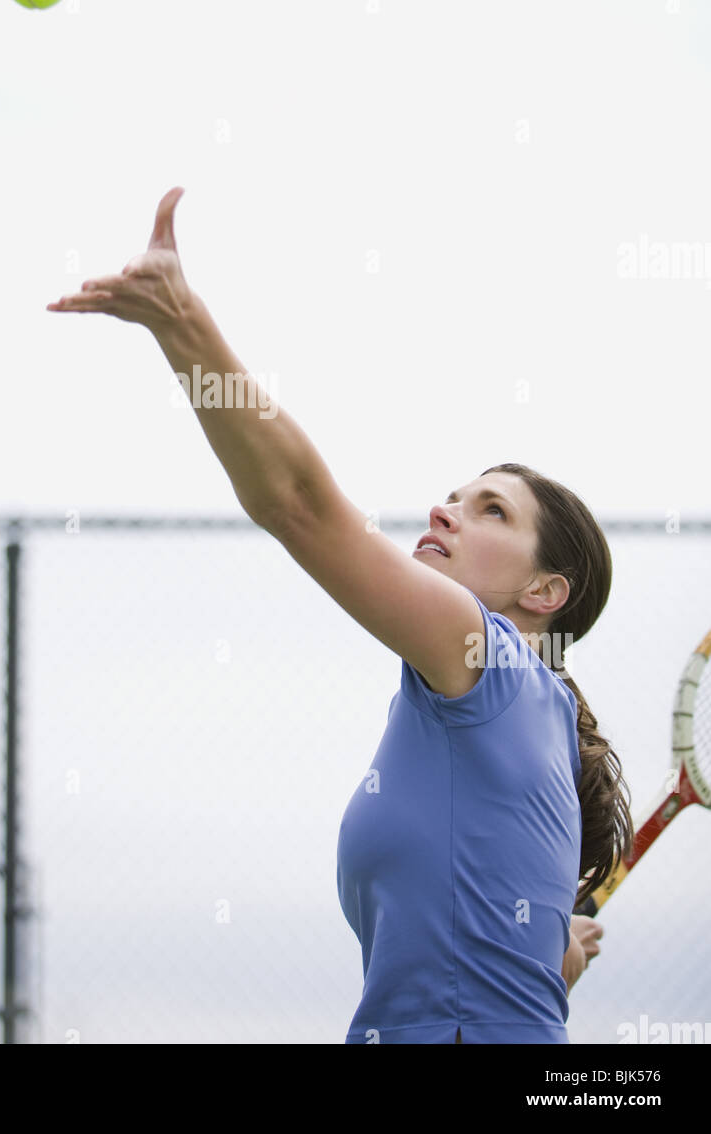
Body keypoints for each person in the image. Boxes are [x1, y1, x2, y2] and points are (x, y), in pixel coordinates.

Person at [47, 187, 633, 1044]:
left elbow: (298, 505)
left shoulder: (492, 661)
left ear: (545, 594)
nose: (445, 512)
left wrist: (182, 323)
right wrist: (545, 967)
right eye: (452, 497)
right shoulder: (495, 708)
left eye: (491, 512)